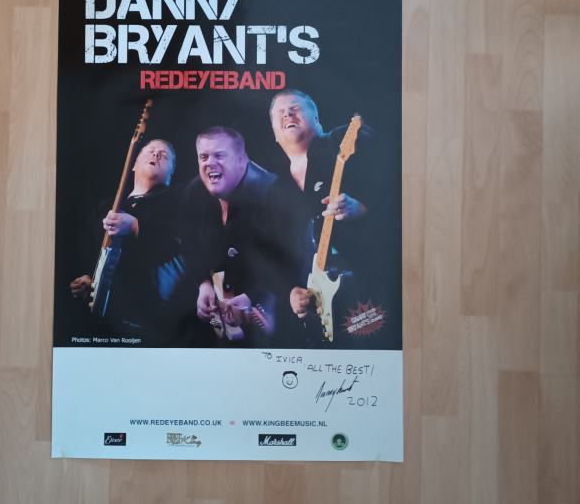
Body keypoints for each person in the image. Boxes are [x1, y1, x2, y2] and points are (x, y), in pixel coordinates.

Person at [267, 89, 374, 345]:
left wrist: (362, 208)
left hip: (368, 292)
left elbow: (397, 185)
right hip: (320, 314)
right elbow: (278, 255)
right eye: (280, 113)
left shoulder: (342, 140)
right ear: (275, 134)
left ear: (316, 119)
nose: (287, 114)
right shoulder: (276, 189)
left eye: (295, 108)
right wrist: (292, 291)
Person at [69, 139, 189, 346]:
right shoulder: (106, 207)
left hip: (147, 322)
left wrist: (135, 226)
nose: (156, 155)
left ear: (171, 172)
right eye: (150, 151)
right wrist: (88, 278)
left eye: (164, 155)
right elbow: (87, 250)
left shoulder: (180, 199)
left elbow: (178, 244)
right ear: (133, 164)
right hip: (101, 323)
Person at [179, 127, 281, 347]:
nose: (209, 163)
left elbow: (290, 260)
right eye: (203, 157)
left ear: (242, 161)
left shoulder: (272, 193)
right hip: (222, 295)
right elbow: (189, 245)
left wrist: (254, 296)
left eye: (219, 155)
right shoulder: (194, 190)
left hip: (270, 300)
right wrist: (204, 284)